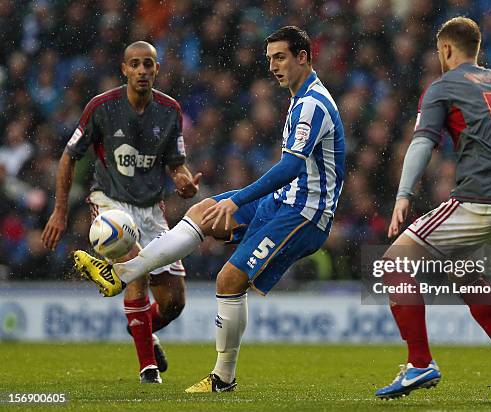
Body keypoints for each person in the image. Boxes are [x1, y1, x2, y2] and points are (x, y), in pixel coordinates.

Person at [72, 26, 345, 393]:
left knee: (229, 280)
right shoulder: (300, 99)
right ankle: (122, 273)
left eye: (280, 57)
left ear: (303, 57)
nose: (273, 66)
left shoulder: (313, 103)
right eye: (269, 59)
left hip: (304, 214)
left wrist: (239, 198)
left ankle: (223, 380)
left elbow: (291, 167)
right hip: (284, 201)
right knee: (203, 211)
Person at [374, 17, 491, 402]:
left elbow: (423, 143)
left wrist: (403, 195)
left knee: (394, 264)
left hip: (480, 201)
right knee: (464, 275)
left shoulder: (443, 86)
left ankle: (419, 363)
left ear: (445, 49)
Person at [42, 41, 201, 384]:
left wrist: (185, 183)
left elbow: (176, 165)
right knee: (137, 266)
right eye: (136, 65)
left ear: (157, 69)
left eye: (148, 64)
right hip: (111, 202)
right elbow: (70, 156)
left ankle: (139, 326)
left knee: (174, 302)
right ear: (124, 69)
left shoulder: (170, 111)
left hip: (152, 209)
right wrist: (59, 211)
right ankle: (148, 368)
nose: (142, 70)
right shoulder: (101, 108)